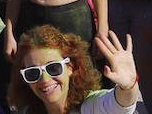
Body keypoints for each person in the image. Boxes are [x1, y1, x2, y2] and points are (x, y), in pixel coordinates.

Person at [8, 25, 140, 114]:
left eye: (53, 68)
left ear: (70, 67)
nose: (45, 79)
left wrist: (129, 86)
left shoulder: (91, 107)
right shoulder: (25, 111)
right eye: (32, 73)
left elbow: (120, 105)